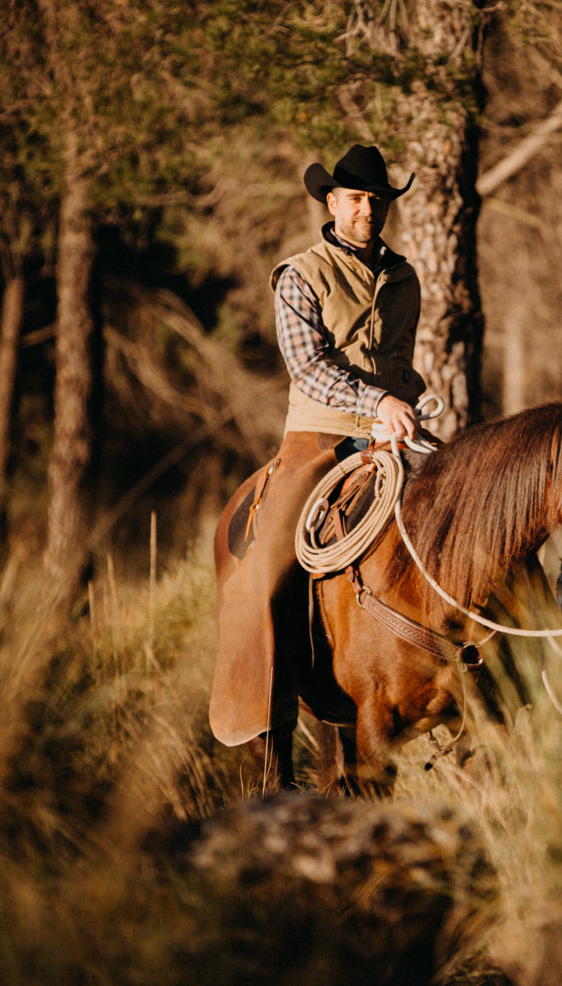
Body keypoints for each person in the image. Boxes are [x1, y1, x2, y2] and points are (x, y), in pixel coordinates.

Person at [210, 144, 426, 752]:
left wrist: (404, 404)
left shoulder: (404, 277)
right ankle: (260, 711)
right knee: (266, 568)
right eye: (356, 198)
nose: (368, 208)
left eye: (377, 199)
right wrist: (377, 404)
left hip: (394, 434)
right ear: (330, 203)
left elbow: (402, 363)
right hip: (320, 436)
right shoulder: (301, 274)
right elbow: (308, 367)